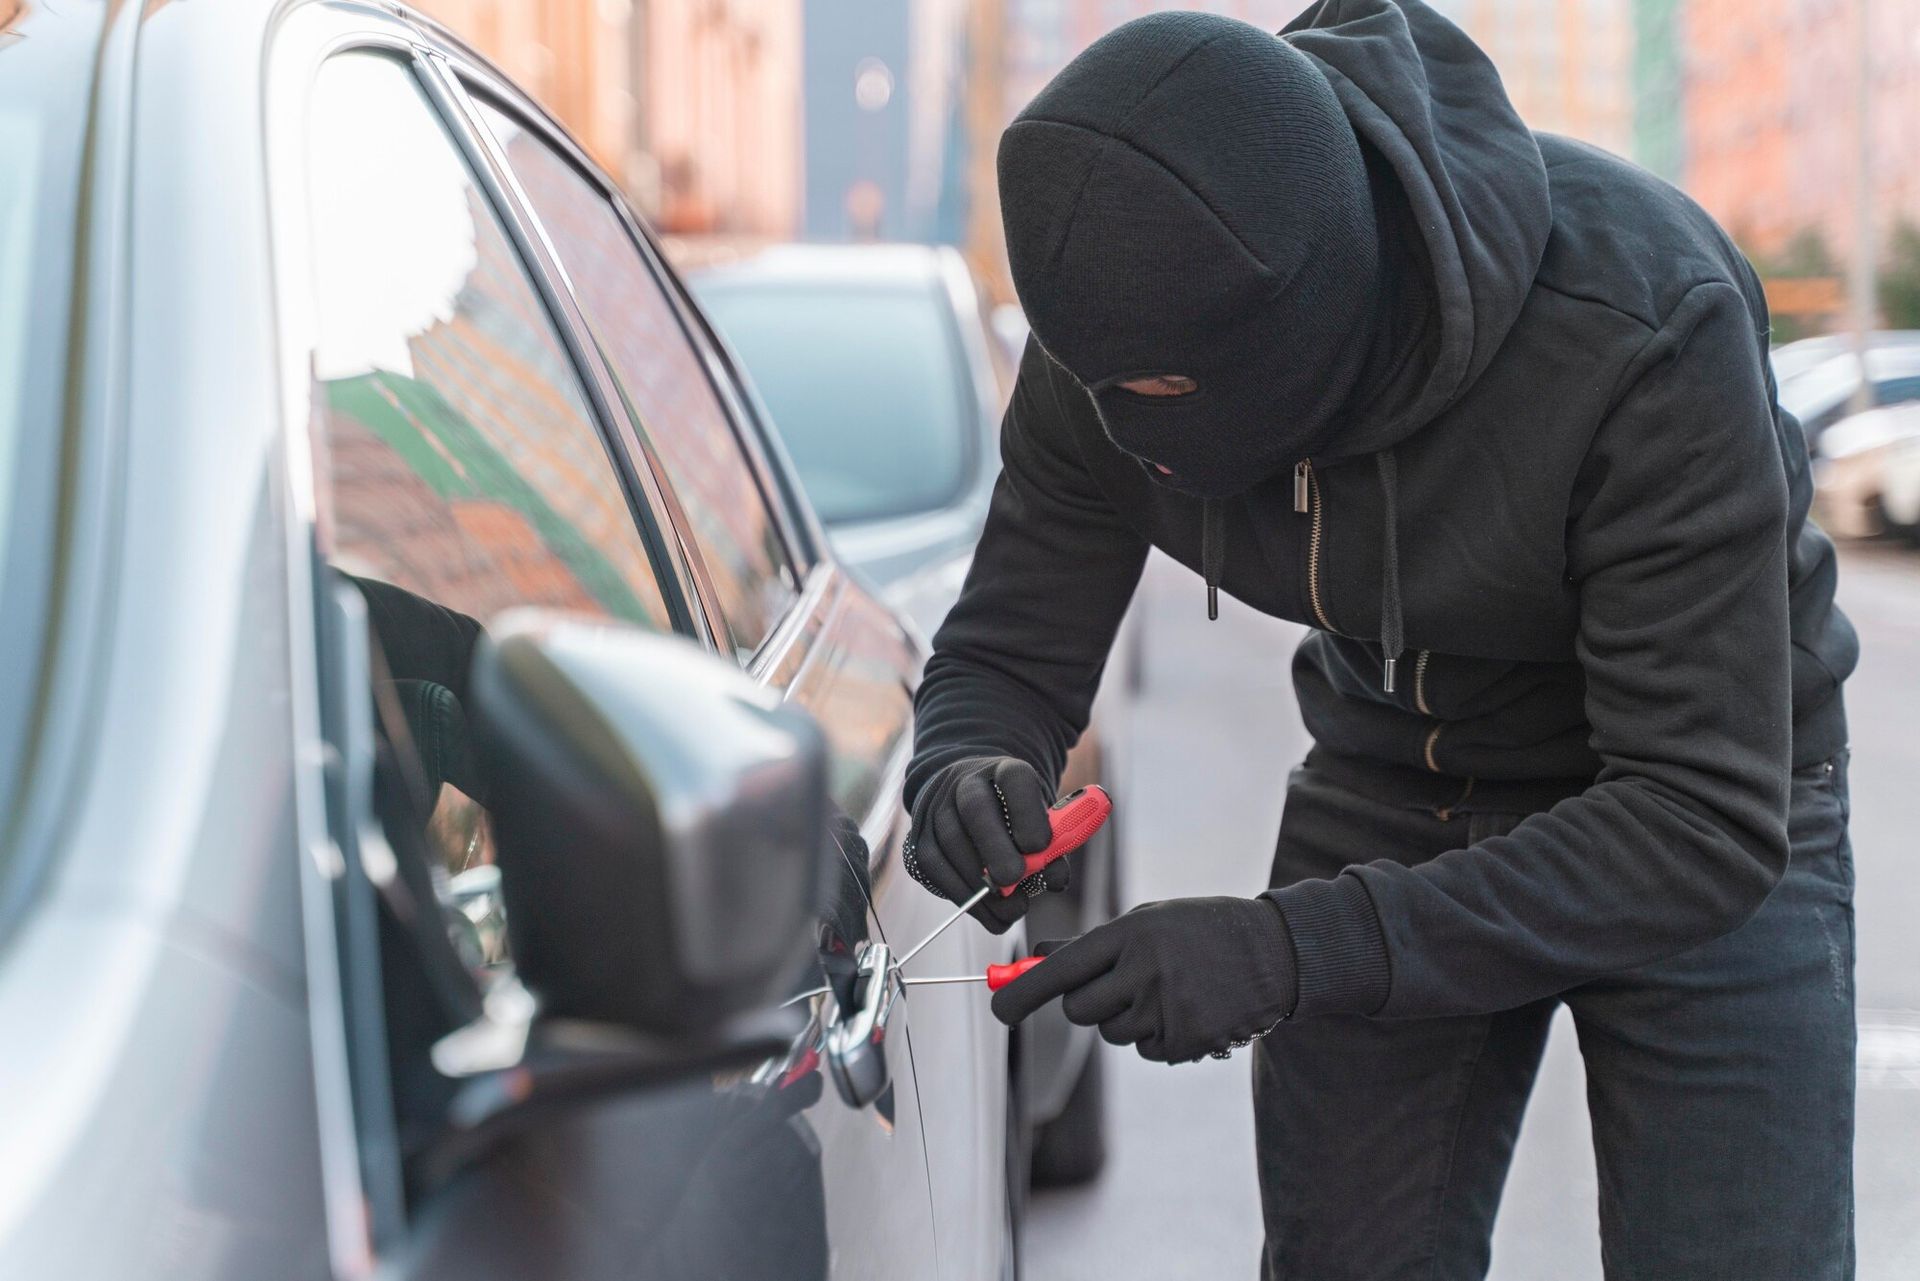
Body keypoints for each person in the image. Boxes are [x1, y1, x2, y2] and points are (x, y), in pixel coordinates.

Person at [899, 3, 1859, 1277]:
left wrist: (1290, 949)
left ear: (1307, 328)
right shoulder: (1117, 335)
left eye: (1164, 403)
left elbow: (1700, 816)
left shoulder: (1637, 322)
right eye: (1100, 390)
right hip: (1397, 775)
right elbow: (1007, 656)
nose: (1128, 435)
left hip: (1697, 809)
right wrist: (966, 767)